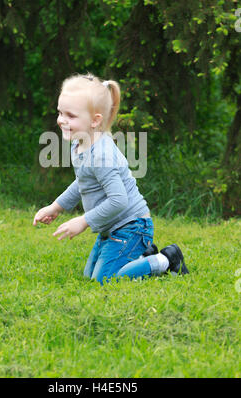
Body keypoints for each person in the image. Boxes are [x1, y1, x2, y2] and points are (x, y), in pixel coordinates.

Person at [33, 72, 189, 285]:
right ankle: (141, 255)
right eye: (60, 112)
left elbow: (119, 200)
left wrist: (84, 221)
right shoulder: (79, 144)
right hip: (111, 227)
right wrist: (56, 207)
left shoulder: (101, 155)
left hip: (132, 226)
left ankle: (165, 259)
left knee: (104, 280)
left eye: (71, 115)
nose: (61, 120)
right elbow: (83, 182)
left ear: (95, 120)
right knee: (89, 275)